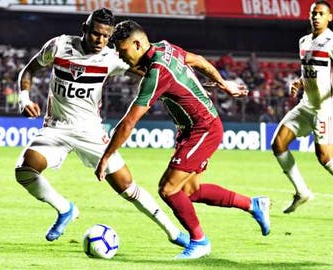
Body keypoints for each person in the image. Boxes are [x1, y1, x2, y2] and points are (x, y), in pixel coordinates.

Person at [95, 20, 271, 260]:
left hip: (203, 128)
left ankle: (200, 241)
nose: (119, 54)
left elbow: (128, 122)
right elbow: (198, 59)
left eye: (122, 49)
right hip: (192, 129)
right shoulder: (164, 48)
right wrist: (224, 85)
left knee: (168, 189)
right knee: (191, 191)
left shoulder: (156, 73)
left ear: (137, 44)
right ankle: (253, 204)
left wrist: (106, 157)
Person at [15, 8, 189, 247]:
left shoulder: (111, 58)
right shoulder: (59, 46)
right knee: (24, 170)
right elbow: (30, 70)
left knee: (127, 186)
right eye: (96, 34)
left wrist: (187, 81)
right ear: (85, 29)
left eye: (106, 36)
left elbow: (149, 72)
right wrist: (24, 99)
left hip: (91, 132)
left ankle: (173, 233)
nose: (101, 40)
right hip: (57, 128)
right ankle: (66, 209)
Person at [271, 0, 333, 221]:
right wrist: (298, 82)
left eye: (321, 14)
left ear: (329, 17)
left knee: (325, 158)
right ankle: (302, 192)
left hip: (326, 108)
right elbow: (310, 72)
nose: (316, 17)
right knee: (278, 144)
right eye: (314, 13)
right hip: (306, 105)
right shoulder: (304, 41)